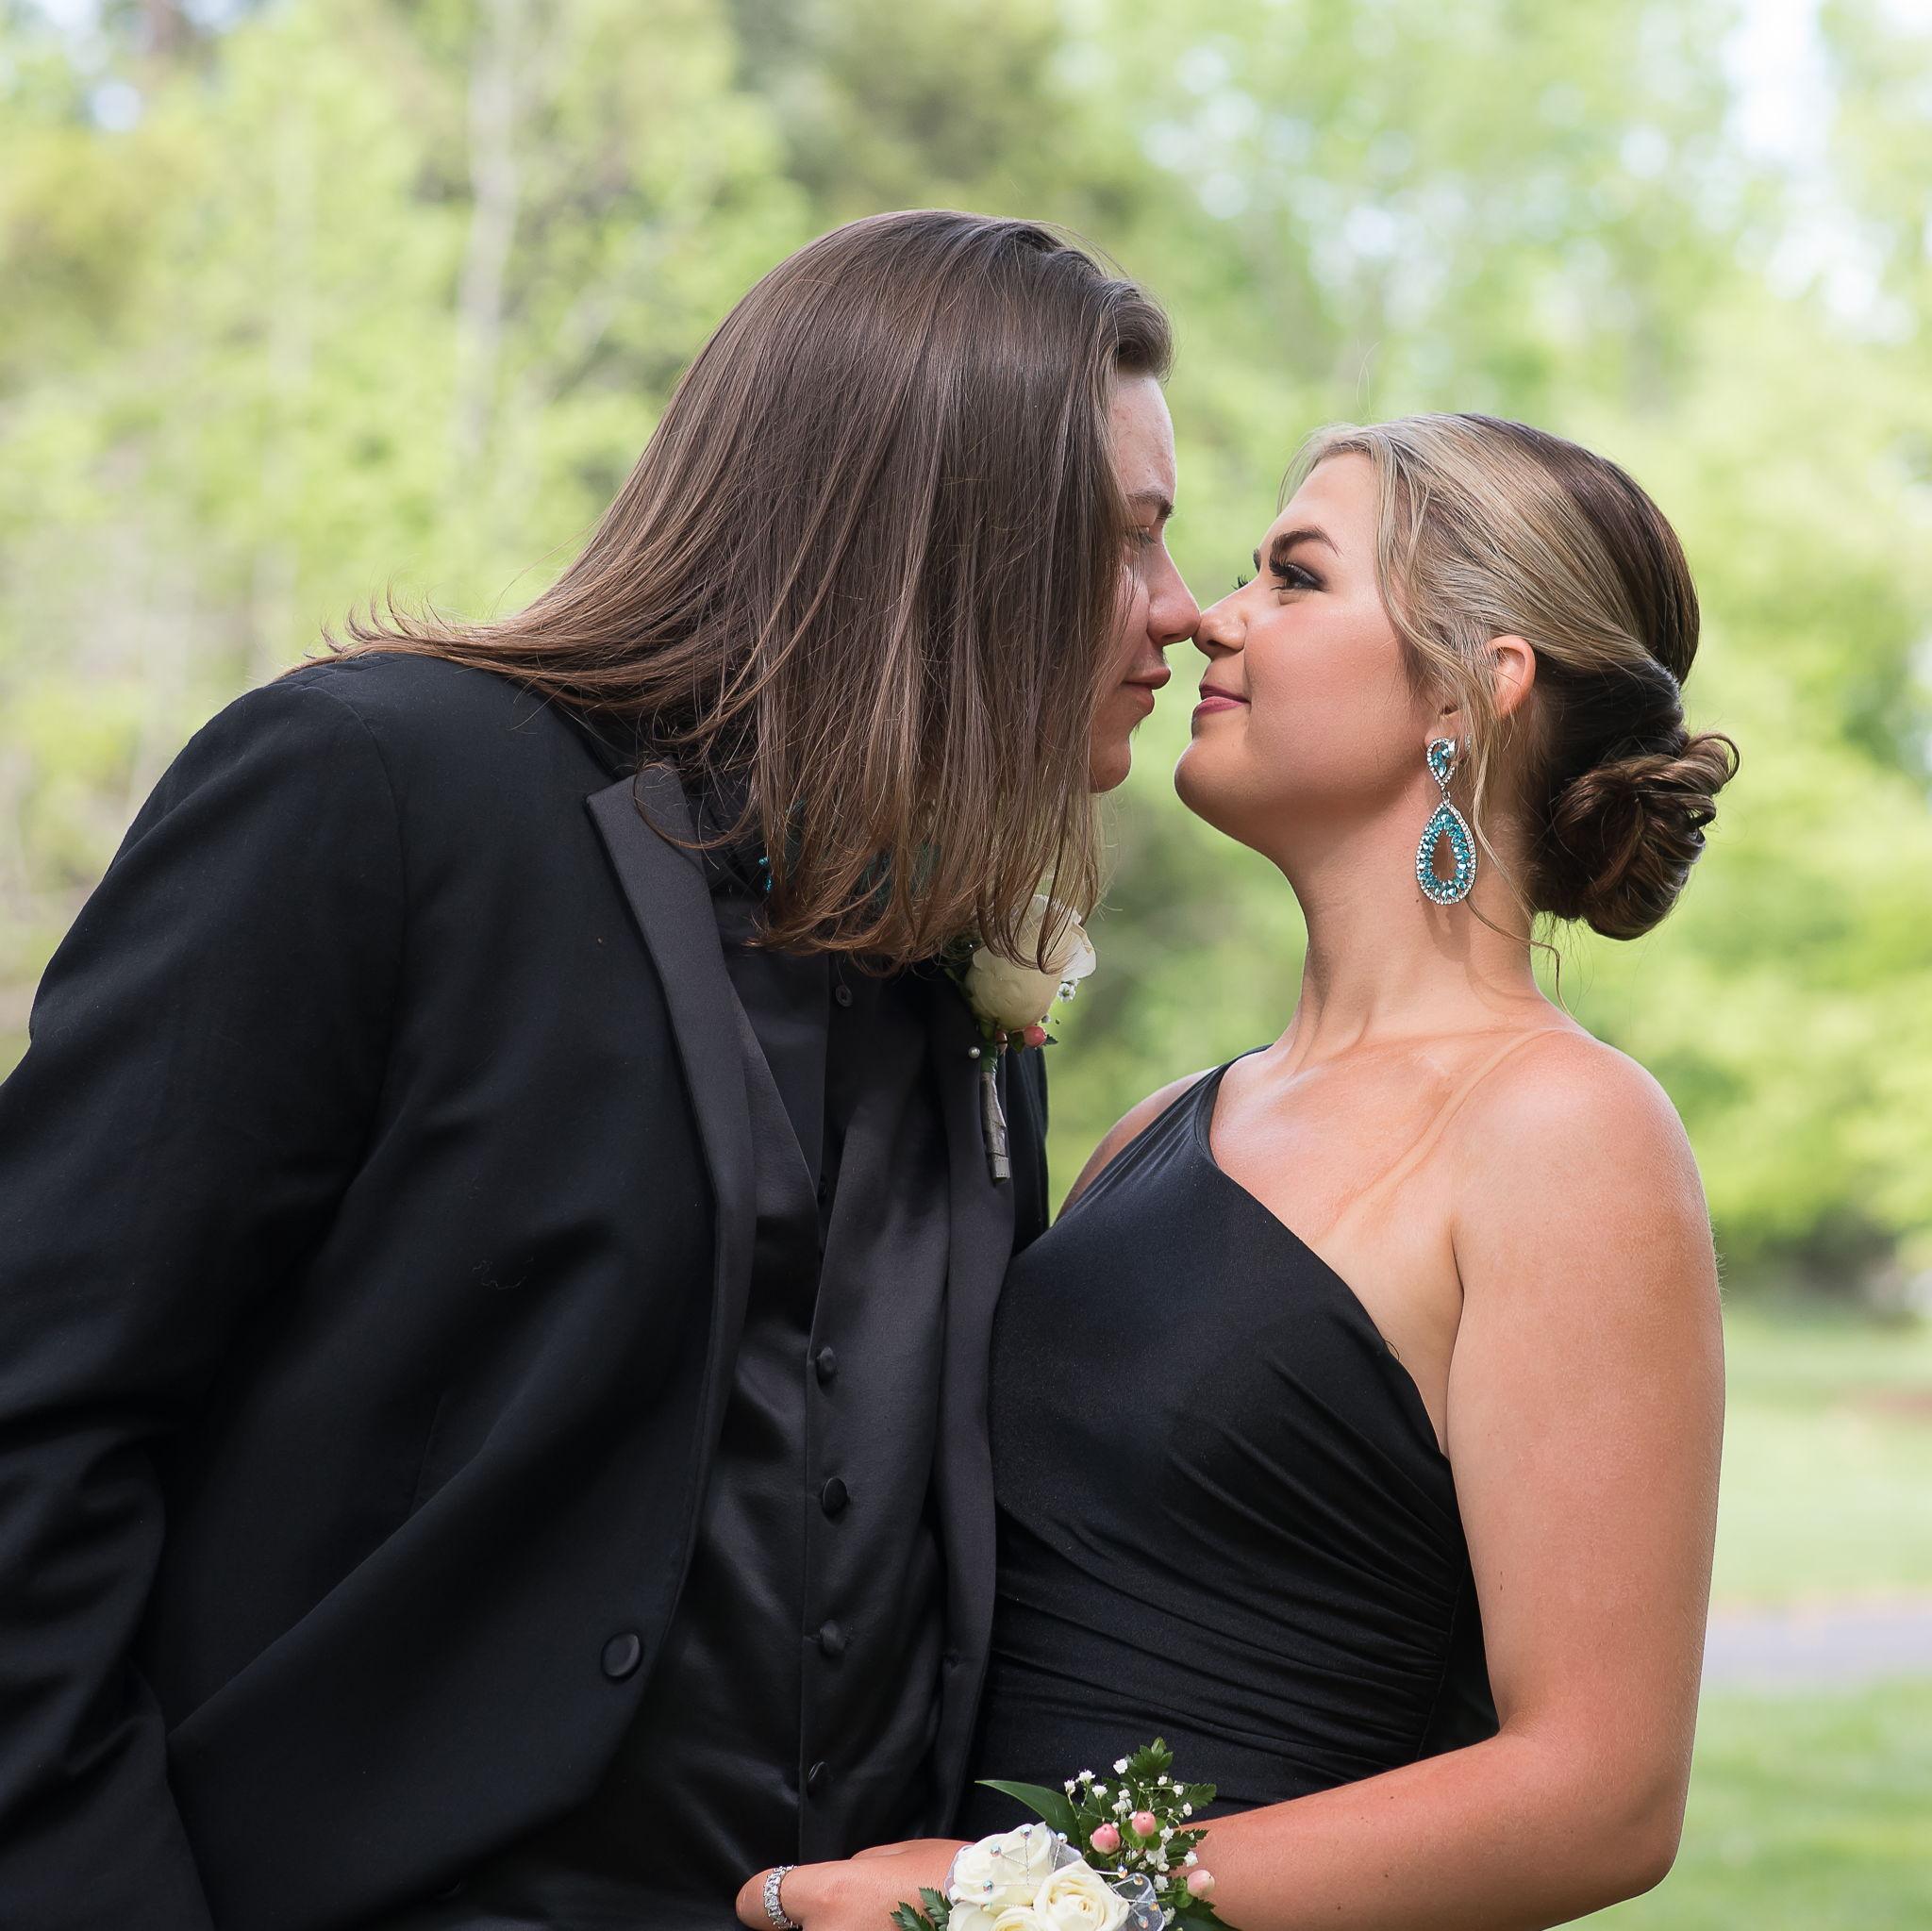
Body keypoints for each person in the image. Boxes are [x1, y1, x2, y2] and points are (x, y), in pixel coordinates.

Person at [0, 208, 1198, 1931]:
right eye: (1131, 539)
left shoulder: (967, 978)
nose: (1182, 613)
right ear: (957, 534)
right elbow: (36, 1422)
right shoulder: (380, 789)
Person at [763, 413, 1734, 1930]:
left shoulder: (1563, 1131)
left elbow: (1598, 1796)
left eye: (1297, 576)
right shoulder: (1151, 1131)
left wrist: (1017, 1899)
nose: (1213, 617)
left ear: (1471, 689)